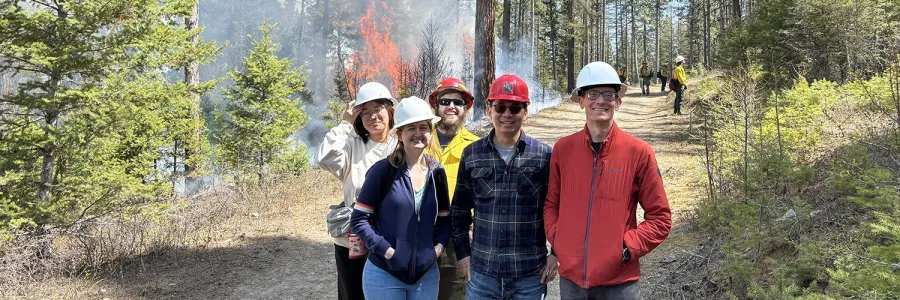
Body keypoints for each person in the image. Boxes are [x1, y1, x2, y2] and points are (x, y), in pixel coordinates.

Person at [545, 61, 672, 300]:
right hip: (572, 283)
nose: (600, 101)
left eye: (608, 94)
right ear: (581, 100)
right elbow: (552, 205)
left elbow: (661, 218)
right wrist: (560, 241)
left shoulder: (639, 152)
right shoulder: (563, 149)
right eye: (592, 94)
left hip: (619, 283)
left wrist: (625, 249)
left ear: (618, 101)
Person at [450, 74, 558, 300]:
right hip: (482, 275)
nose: (507, 114)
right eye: (500, 107)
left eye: (515, 108)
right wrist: (462, 253)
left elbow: (559, 210)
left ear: (525, 112)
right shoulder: (472, 155)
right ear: (489, 109)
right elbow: (459, 212)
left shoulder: (544, 156)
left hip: (529, 275)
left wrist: (556, 254)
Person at [349, 96, 451, 300]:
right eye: (410, 128)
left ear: (431, 132)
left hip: (426, 276)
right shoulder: (382, 171)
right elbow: (359, 220)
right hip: (385, 274)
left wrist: (437, 250)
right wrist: (387, 251)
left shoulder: (437, 173)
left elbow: (445, 219)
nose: (418, 134)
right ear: (400, 134)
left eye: (423, 127)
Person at [317, 81, 398, 300]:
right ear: (359, 119)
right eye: (366, 113)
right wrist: (345, 123)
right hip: (353, 240)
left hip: (391, 239)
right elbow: (324, 158)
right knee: (353, 294)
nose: (373, 116)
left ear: (390, 111)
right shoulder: (352, 146)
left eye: (378, 109)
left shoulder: (400, 146)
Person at [425, 78, 479, 300]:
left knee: (454, 294)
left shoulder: (476, 147)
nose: (451, 107)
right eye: (445, 101)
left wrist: (475, 226)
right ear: (435, 106)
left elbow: (482, 194)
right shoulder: (420, 140)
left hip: (457, 241)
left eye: (458, 102)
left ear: (466, 108)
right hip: (419, 235)